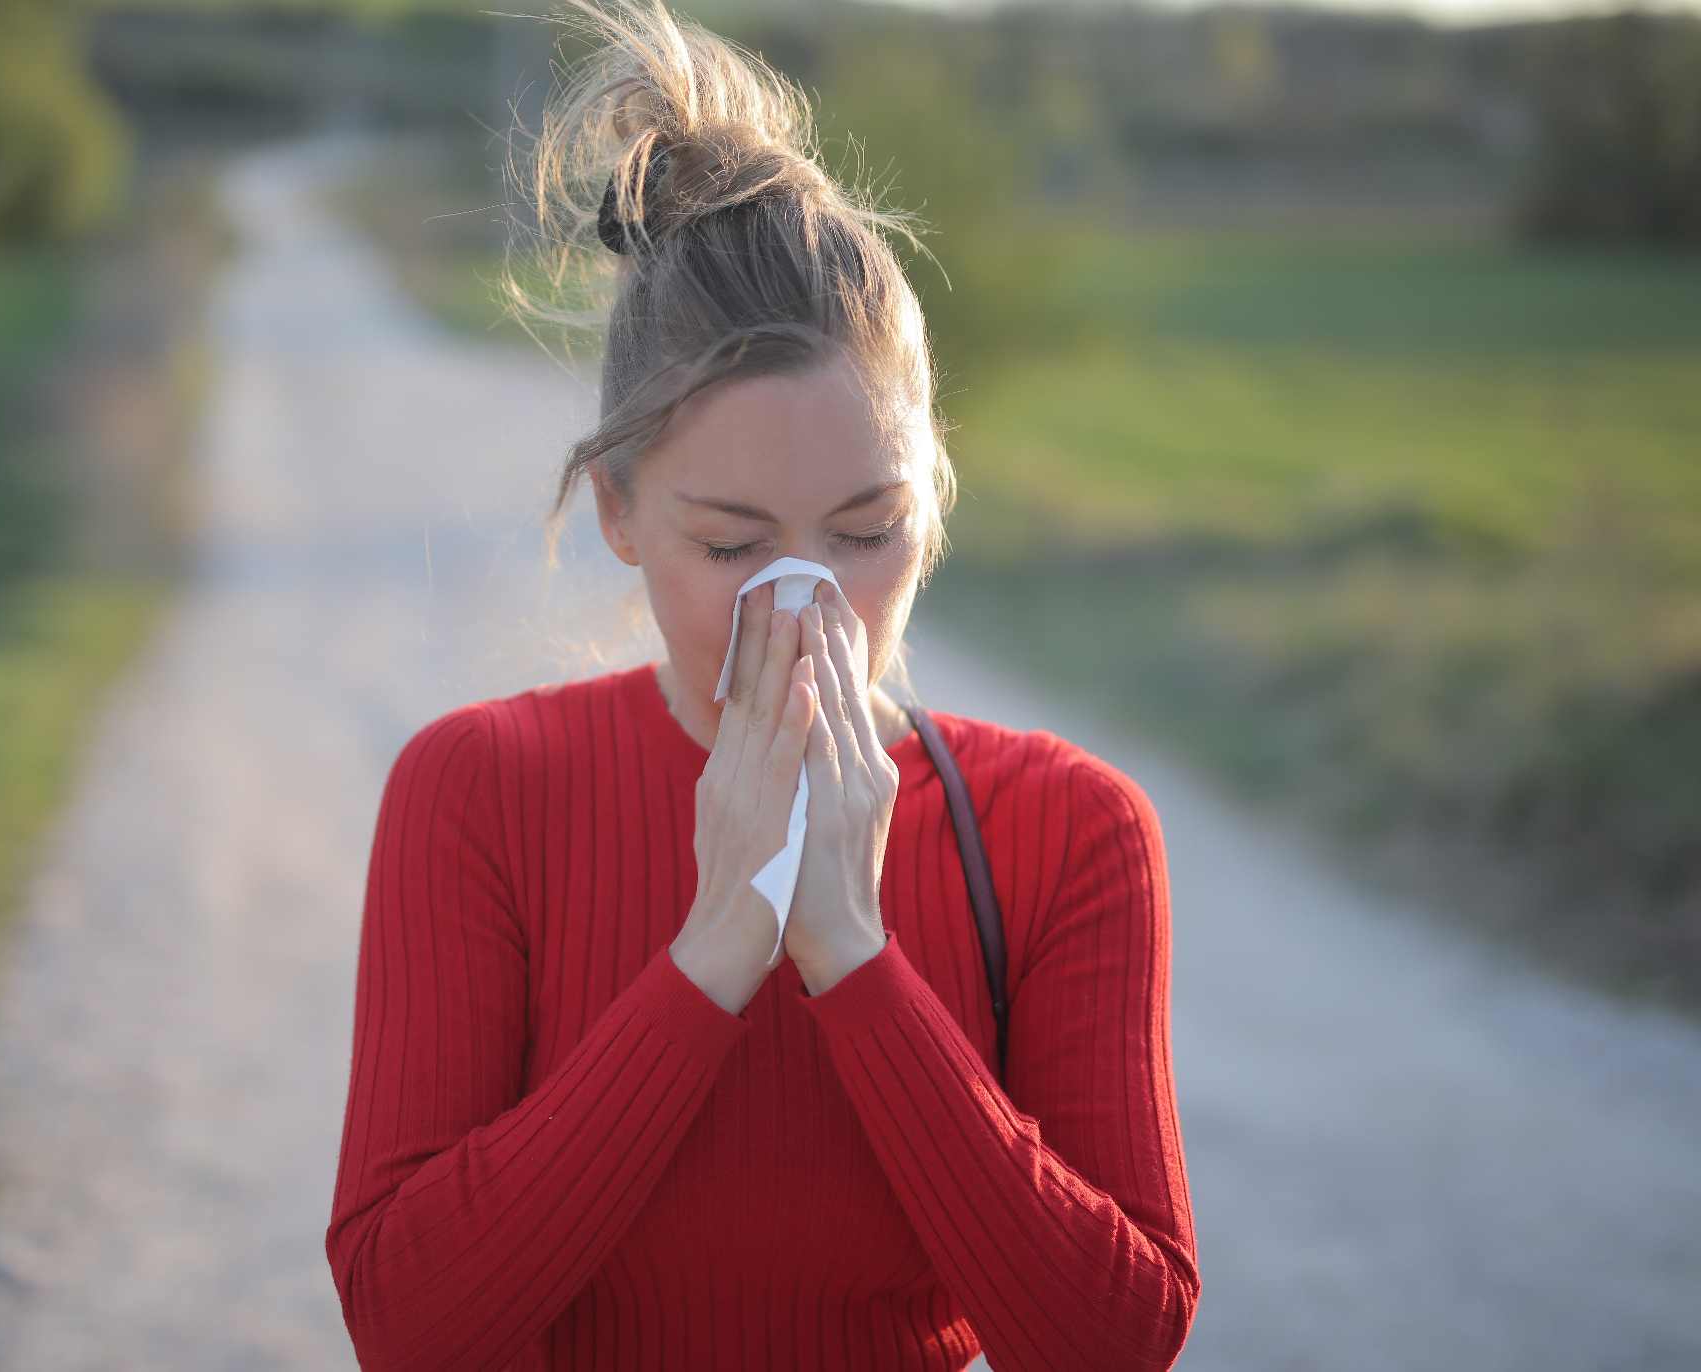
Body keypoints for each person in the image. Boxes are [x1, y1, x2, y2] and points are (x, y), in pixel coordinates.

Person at [324, 2, 1199, 1367]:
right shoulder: (481, 792)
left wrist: (850, 949)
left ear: (935, 499)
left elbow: (1116, 1339)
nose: (811, 602)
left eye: (868, 532)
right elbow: (407, 1324)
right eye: (732, 544)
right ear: (618, 510)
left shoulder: (1065, 831)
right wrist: (715, 949)